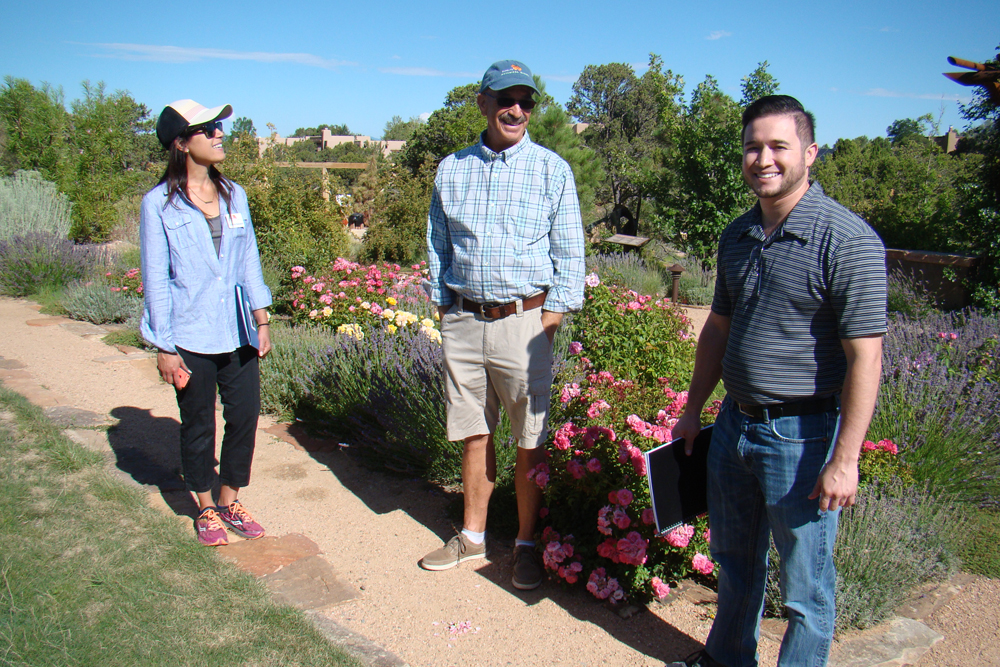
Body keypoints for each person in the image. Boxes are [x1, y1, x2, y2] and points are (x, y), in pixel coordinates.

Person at [670, 95, 887, 667]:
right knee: (735, 563)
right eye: (752, 147)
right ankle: (727, 659)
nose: (762, 158)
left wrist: (846, 458)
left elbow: (866, 357)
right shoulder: (738, 235)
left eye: (777, 146)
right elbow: (717, 328)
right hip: (735, 425)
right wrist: (694, 410)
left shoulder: (847, 239)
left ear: (809, 154)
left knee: (805, 589)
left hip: (803, 438)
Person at [420, 60, 585, 590]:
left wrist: (550, 319)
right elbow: (437, 243)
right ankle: (471, 537)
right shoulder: (452, 168)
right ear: (484, 103)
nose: (516, 110)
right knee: (473, 432)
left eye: (526, 101)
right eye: (505, 99)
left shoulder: (551, 169)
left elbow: (570, 255)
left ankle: (526, 543)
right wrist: (445, 305)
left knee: (530, 438)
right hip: (465, 321)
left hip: (525, 321)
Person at [141, 99, 273, 547]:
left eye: (219, 126)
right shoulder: (158, 204)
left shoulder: (235, 194)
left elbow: (249, 258)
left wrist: (261, 316)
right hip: (190, 334)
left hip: (236, 329)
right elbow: (156, 277)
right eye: (208, 128)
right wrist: (163, 345)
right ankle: (205, 507)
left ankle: (230, 498)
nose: (220, 134)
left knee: (245, 416)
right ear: (181, 143)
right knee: (198, 423)